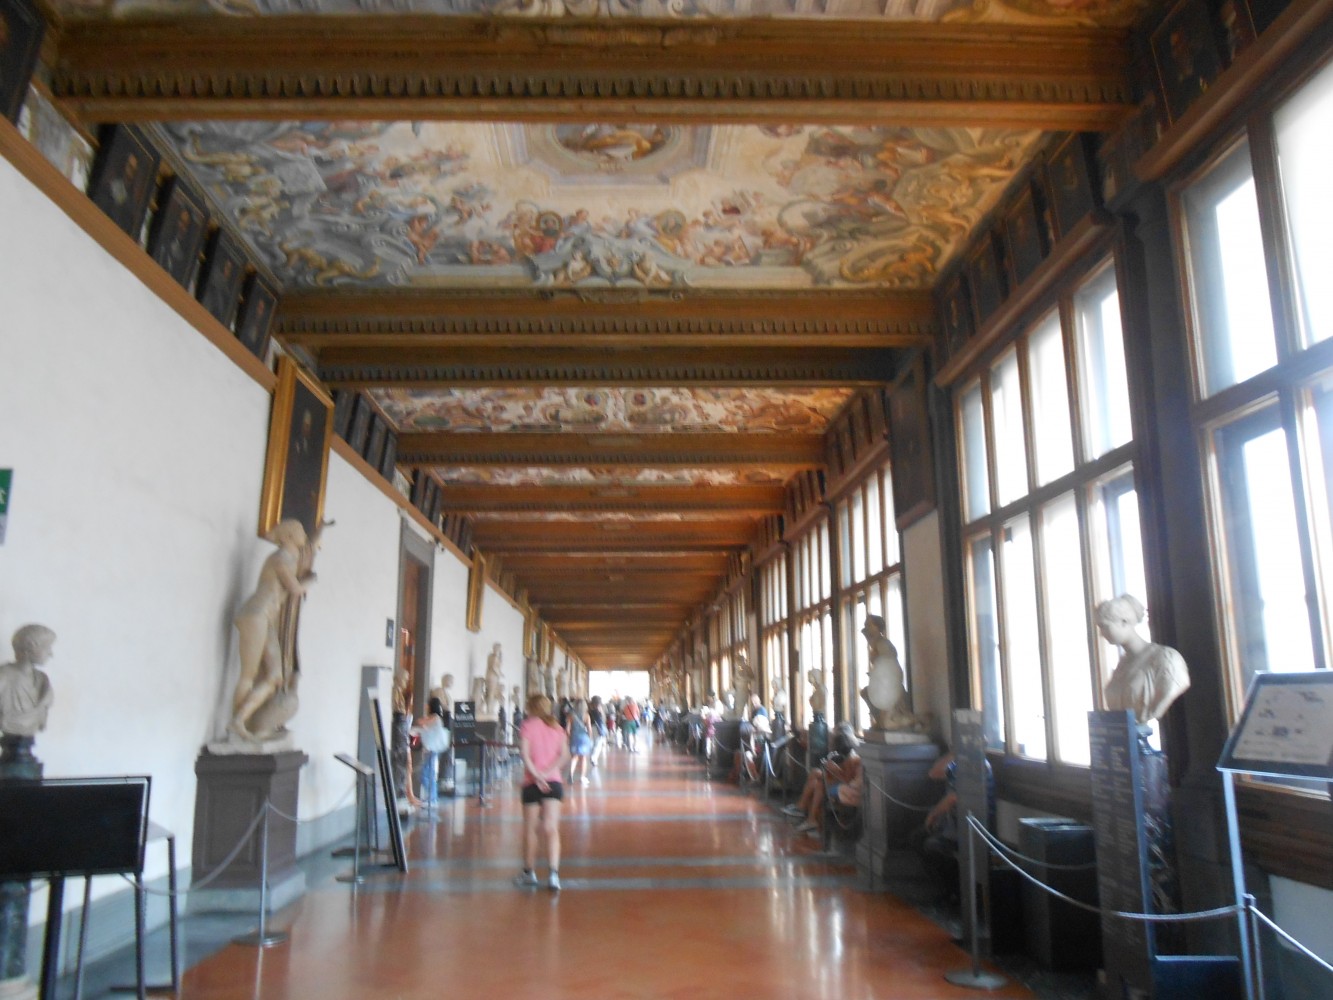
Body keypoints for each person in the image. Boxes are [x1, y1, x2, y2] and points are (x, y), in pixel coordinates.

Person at [229, 519, 326, 742]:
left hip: (267, 619)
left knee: (275, 677)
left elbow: (309, 551)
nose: (303, 535)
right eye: (300, 531)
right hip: (255, 615)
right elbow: (295, 588)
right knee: (248, 675)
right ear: (289, 536)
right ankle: (236, 729)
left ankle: (242, 720)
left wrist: (319, 530)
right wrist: (311, 580)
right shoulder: (280, 559)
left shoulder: (291, 558)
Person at [1095, 594, 1191, 726]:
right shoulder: (1122, 664)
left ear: (1124, 622)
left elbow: (1174, 686)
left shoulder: (1165, 658)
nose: (1101, 633)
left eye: (1104, 626)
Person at [515, 694, 570, 892]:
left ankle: (529, 872)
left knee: (530, 829)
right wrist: (546, 774)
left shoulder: (528, 726)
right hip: (553, 782)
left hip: (531, 782)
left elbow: (525, 754)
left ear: (531, 707)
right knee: (551, 828)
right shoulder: (558, 728)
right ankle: (554, 875)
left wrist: (537, 776)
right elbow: (564, 756)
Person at [783, 722, 862, 837]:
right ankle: (808, 815)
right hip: (841, 781)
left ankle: (805, 812)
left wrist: (836, 770)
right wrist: (831, 767)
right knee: (816, 776)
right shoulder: (845, 751)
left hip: (846, 787)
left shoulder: (854, 757)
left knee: (819, 783)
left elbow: (849, 782)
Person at [0, 624, 56, 737]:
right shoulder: (4, 676)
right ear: (30, 648)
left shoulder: (42, 680)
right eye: (47, 647)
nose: (51, 653)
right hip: (10, 735)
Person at [411, 710, 450, 814]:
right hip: (431, 751)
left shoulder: (435, 718)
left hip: (433, 751)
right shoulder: (435, 720)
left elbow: (420, 722)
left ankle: (432, 799)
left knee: (426, 774)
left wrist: (422, 723)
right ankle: (432, 798)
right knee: (427, 774)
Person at [566, 697, 593, 786]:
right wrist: (590, 738)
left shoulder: (571, 715)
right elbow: (589, 729)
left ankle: (571, 774)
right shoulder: (586, 716)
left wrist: (569, 738)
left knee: (574, 757)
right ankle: (582, 777)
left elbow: (567, 729)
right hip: (584, 738)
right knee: (584, 758)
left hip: (574, 737)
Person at [588, 695, 608, 767]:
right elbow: (603, 720)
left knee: (593, 743)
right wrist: (601, 711)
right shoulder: (599, 710)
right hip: (598, 728)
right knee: (598, 744)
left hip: (590, 727)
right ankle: (594, 759)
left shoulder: (588, 710)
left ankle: (592, 757)